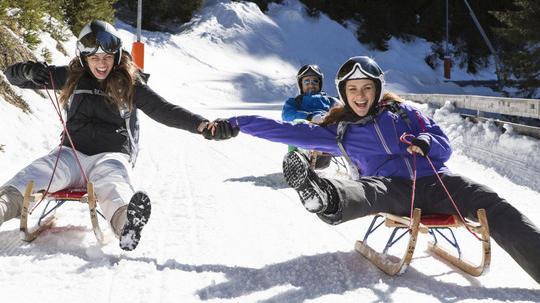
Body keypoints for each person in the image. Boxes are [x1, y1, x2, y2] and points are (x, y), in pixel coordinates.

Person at [225, 56, 540, 283]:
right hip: (391, 189)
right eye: (352, 90)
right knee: (368, 190)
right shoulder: (341, 129)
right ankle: (325, 195)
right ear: (344, 93)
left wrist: (427, 141)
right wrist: (238, 123)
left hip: (437, 182)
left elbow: (444, 145)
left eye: (366, 88)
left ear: (376, 89)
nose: (360, 96)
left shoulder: (404, 113)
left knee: (492, 203)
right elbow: (284, 129)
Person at [0, 20, 236, 251]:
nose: (102, 64)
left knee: (112, 183)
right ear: (84, 58)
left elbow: (162, 109)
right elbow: (13, 78)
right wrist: (27, 71)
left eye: (107, 58)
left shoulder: (129, 83)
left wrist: (203, 125)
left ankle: (126, 225)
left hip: (110, 154)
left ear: (117, 56)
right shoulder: (72, 76)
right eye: (95, 58)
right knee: (39, 172)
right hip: (71, 153)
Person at [281, 65, 341, 169]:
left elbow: (342, 111)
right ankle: (294, 164)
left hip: (327, 133)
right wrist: (309, 117)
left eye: (315, 81)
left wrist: (328, 118)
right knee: (297, 123)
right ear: (301, 84)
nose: (311, 84)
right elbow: (287, 115)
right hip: (305, 134)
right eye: (306, 81)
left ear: (320, 84)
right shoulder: (295, 102)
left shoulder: (330, 101)